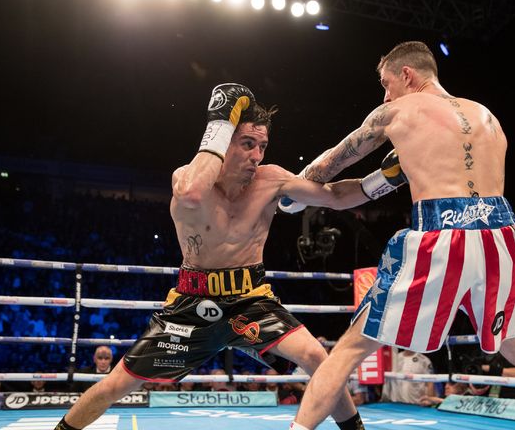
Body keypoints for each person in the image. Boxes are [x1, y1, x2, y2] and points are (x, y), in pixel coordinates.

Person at [290, 41, 515, 430]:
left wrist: (293, 195)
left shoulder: (396, 110)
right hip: (501, 236)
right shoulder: (487, 115)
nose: (385, 94)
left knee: (350, 348)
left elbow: (329, 164)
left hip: (442, 231)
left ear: (408, 75)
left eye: (387, 83)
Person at [54, 83, 385, 430]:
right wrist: (220, 122)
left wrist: (386, 179)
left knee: (317, 356)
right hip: (191, 305)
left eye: (262, 146)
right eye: (247, 144)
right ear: (223, 139)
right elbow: (192, 194)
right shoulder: (188, 178)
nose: (256, 155)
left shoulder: (271, 180)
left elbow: (334, 195)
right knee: (118, 384)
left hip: (250, 300)